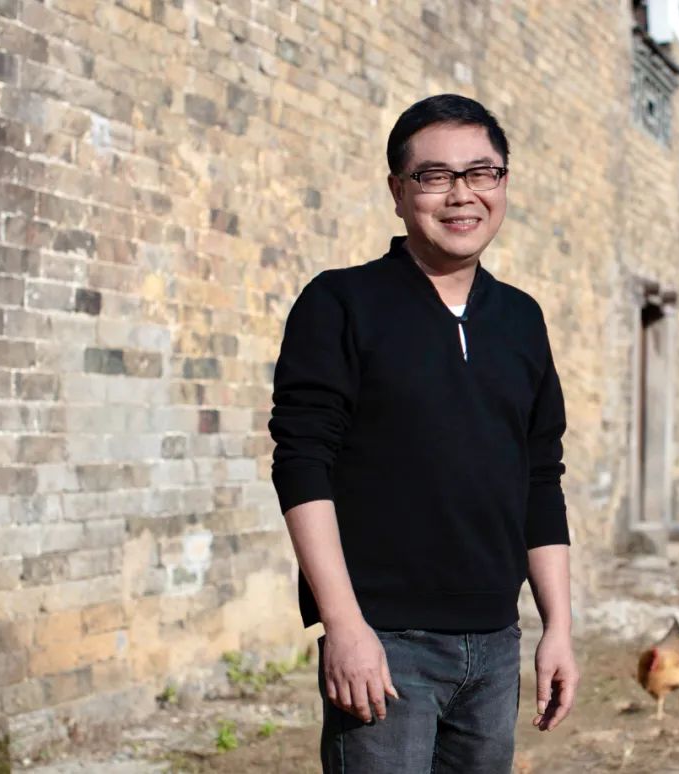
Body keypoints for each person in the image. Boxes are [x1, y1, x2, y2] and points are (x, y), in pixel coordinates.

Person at [268, 94, 578, 774]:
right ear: (398, 192)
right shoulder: (341, 303)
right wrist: (343, 625)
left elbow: (540, 476)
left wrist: (557, 626)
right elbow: (301, 463)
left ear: (502, 183)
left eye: (482, 173)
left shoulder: (521, 319)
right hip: (385, 640)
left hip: (495, 642)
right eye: (435, 176)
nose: (462, 194)